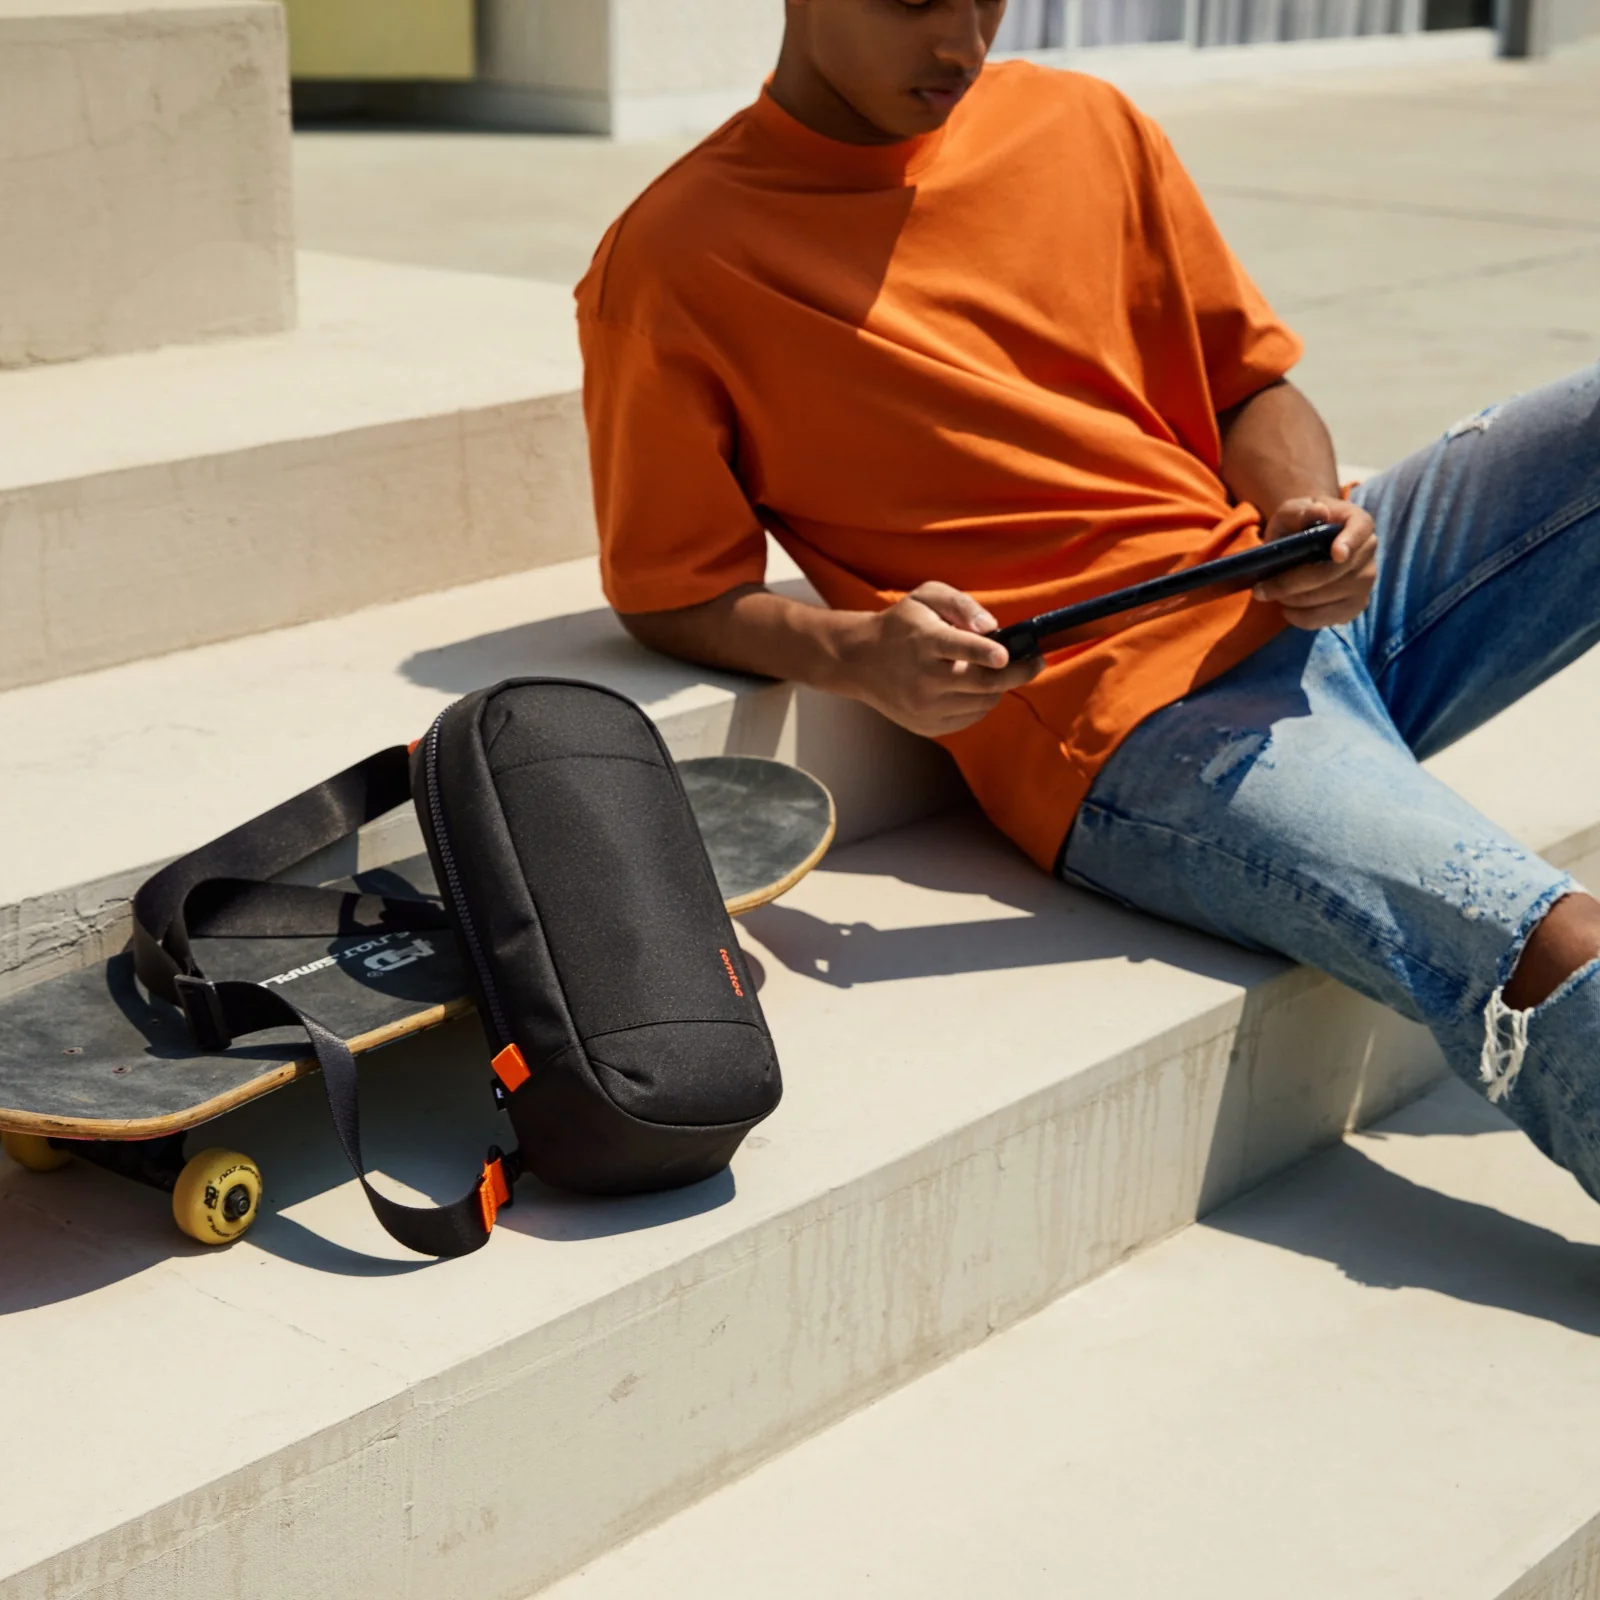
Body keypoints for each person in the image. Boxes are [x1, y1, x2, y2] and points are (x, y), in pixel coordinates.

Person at [576, 0, 1600, 1198]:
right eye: (915, 1)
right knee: (1551, 941)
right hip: (1135, 729)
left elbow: (1248, 387)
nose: (959, 42)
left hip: (1289, 589)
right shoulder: (675, 260)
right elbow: (671, 593)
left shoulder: (1081, 122)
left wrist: (1306, 512)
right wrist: (856, 653)